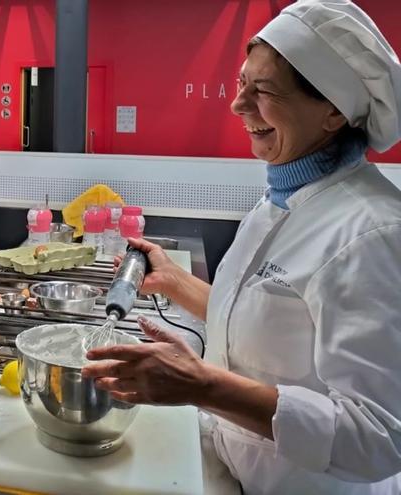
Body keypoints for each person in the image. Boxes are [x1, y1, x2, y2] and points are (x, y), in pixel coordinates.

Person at [82, 1, 401, 493]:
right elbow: (276, 325)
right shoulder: (282, 200)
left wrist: (203, 385)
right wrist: (178, 283)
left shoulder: (372, 232)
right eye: (241, 82)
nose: (238, 104)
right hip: (238, 472)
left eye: (264, 90)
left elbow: (378, 437)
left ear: (334, 110)